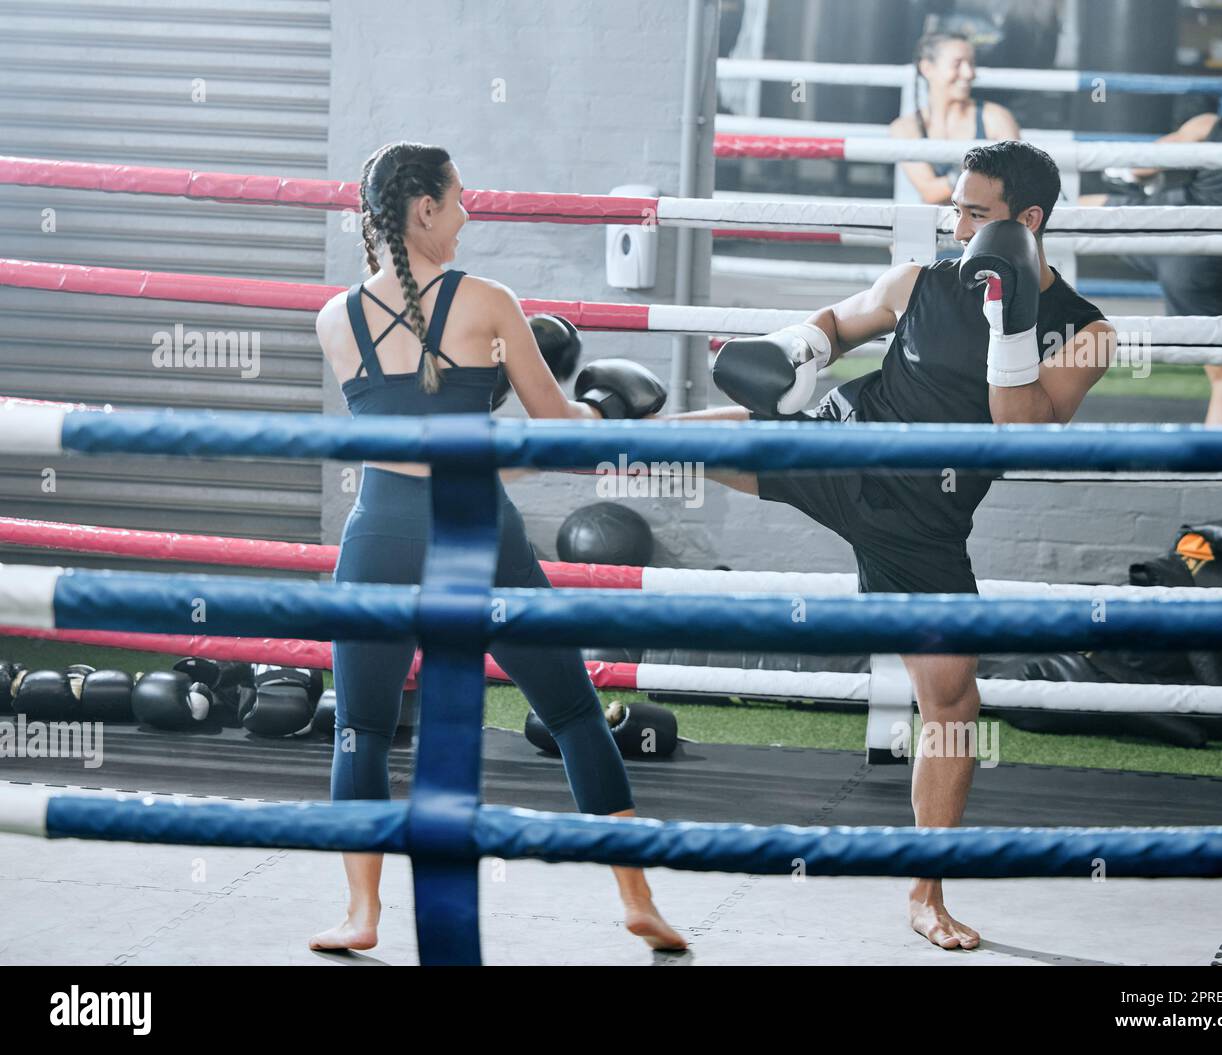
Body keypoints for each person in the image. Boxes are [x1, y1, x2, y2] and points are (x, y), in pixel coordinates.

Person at [675, 141, 1115, 950]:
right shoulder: (919, 280)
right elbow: (843, 322)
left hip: (925, 524)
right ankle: (545, 444)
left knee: (951, 703)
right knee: (666, 445)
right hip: (840, 450)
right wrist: (799, 349)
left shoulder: (1087, 332)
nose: (954, 225)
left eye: (973, 212)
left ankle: (926, 893)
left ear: (1028, 222)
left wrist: (1006, 317)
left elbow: (1025, 434)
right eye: (953, 207)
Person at [311, 141, 685, 954]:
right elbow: (557, 435)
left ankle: (363, 914)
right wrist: (605, 411)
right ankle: (637, 898)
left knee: (362, 730)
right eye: (459, 199)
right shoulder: (488, 300)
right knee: (576, 710)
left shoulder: (334, 319)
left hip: (378, 532)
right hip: (477, 529)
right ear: (425, 211)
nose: (469, 212)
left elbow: (408, 429)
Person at [1080, 41, 1222, 425]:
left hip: (1162, 225)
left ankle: (1001, 241)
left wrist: (1137, 173)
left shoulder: (1213, 126)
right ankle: (1217, 478)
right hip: (1203, 265)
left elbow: (1142, 163)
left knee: (1076, 208)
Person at [889, 31, 1021, 205]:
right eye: (957, 64)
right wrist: (983, 169)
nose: (968, 73)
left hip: (990, 228)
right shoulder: (905, 127)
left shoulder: (996, 118)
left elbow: (1014, 182)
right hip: (937, 228)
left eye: (971, 64)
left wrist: (957, 178)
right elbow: (929, 193)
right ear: (927, 68)